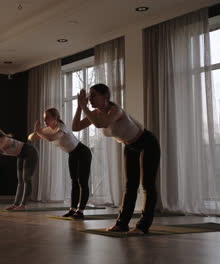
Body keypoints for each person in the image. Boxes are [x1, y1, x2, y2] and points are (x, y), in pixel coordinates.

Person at [72, 83, 160, 234]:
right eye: (89, 96)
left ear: (105, 96)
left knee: (147, 185)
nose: (90, 99)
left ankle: (143, 226)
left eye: (94, 95)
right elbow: (75, 127)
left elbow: (101, 124)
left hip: (147, 143)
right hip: (130, 146)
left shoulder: (116, 110)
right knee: (130, 186)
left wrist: (83, 106)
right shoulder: (96, 113)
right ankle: (122, 224)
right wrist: (80, 107)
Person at [29, 108, 92, 219]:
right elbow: (31, 138)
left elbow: (51, 138)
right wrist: (36, 131)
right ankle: (72, 210)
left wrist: (39, 132)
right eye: (44, 118)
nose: (45, 120)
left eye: (47, 118)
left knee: (83, 183)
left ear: (55, 118)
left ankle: (80, 211)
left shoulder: (61, 127)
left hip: (83, 153)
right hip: (72, 154)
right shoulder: (48, 129)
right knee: (74, 182)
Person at [0, 123, 38, 210]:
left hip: (30, 152)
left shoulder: (3, 140)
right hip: (21, 155)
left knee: (26, 178)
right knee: (20, 181)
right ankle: (16, 204)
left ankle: (23, 205)